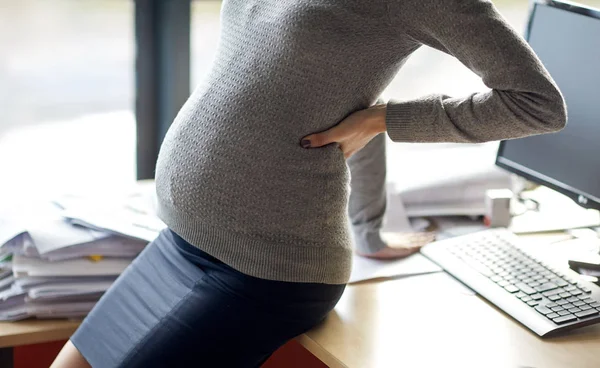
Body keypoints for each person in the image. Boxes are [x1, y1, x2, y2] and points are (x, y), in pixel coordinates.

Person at [51, 0, 566, 366]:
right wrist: (369, 227)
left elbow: (536, 104)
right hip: (180, 241)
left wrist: (387, 118)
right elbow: (331, 95)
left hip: (263, 272)